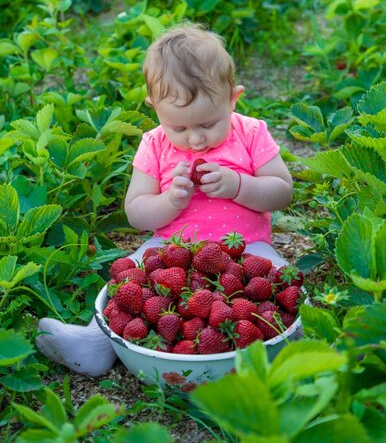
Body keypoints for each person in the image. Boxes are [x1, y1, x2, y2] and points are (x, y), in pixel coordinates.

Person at [36, 24, 293, 377]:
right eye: (180, 128)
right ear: (153, 107)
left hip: (247, 250)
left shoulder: (250, 133)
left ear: (233, 98)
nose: (197, 138)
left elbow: (282, 190)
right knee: (127, 282)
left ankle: (297, 346)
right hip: (168, 250)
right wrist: (171, 200)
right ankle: (94, 344)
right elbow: (137, 212)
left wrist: (239, 186)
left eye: (209, 123)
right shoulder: (155, 144)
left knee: (280, 286)